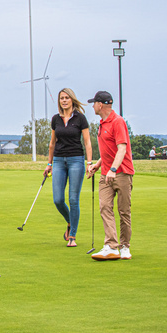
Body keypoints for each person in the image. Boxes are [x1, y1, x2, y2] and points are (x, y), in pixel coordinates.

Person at [86, 91, 135, 260]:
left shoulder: (118, 122)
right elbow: (108, 151)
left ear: (101, 104)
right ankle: (111, 246)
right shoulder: (101, 124)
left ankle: (125, 246)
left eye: (94, 103)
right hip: (106, 173)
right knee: (105, 208)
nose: (92, 106)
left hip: (122, 173)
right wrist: (98, 165)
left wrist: (113, 170)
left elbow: (121, 149)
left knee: (124, 211)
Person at [43, 88, 92, 248]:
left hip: (76, 160)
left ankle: (72, 236)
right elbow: (52, 143)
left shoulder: (80, 119)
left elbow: (87, 142)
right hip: (58, 161)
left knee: (73, 199)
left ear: (72, 100)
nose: (64, 100)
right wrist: (49, 164)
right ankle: (70, 221)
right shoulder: (55, 119)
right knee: (58, 200)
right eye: (61, 98)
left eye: (66, 98)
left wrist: (89, 163)